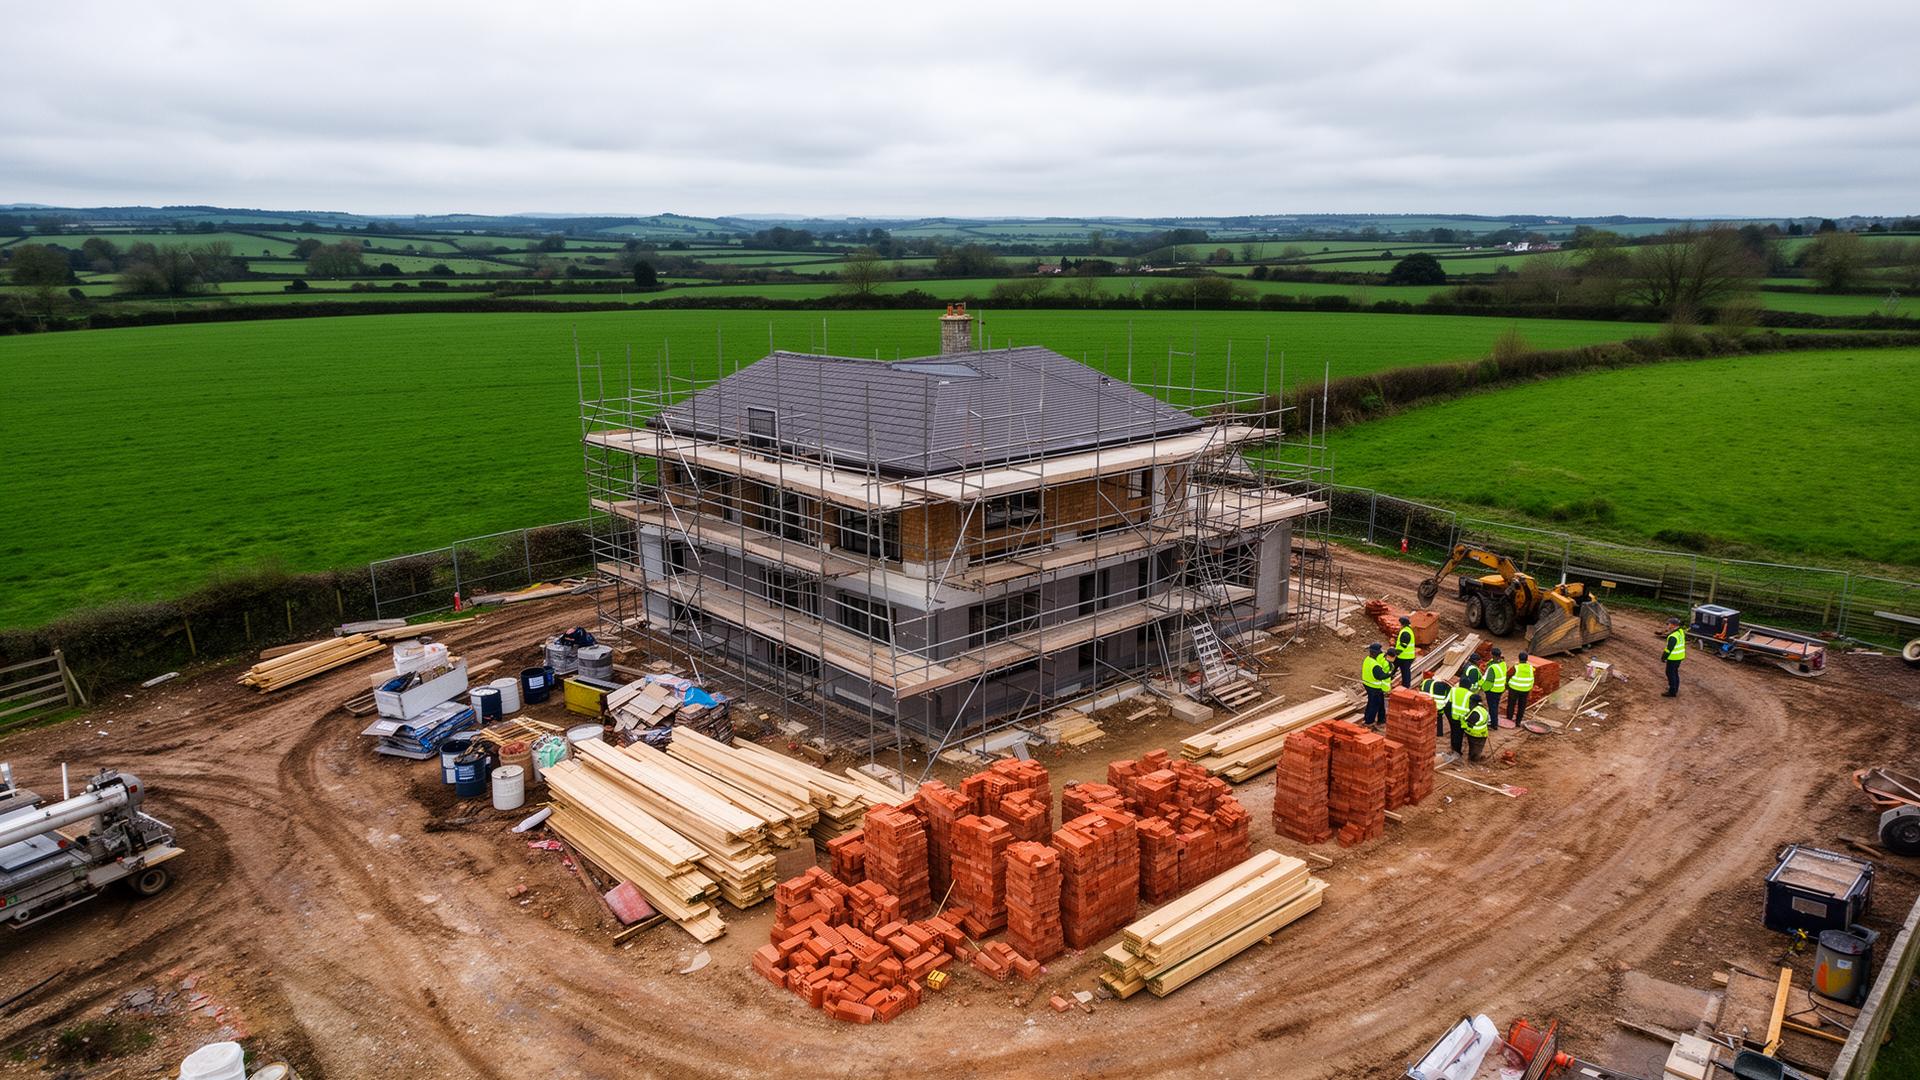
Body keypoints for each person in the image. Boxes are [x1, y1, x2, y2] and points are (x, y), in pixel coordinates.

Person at [1360, 643, 1393, 727]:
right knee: (1374, 704)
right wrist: (1390, 674)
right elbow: (1381, 676)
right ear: (1374, 653)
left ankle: (1381, 720)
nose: (1380, 653)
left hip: (1367, 684)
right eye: (1379, 652)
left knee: (1378, 702)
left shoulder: (1367, 659)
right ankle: (1369, 722)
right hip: (1374, 687)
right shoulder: (1375, 666)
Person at [1445, 681, 1476, 757]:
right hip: (1462, 718)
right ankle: (1457, 751)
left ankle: (1454, 748)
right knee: (1459, 734)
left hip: (1453, 716)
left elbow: (1448, 702)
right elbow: (1471, 708)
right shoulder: (1470, 694)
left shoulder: (1453, 690)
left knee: (1454, 732)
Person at [1506, 652, 1535, 726]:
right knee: (1521, 706)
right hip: (1525, 690)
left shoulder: (1516, 667)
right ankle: (1518, 722)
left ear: (1519, 659)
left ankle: (1509, 720)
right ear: (1527, 659)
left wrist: (1506, 685)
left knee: (1511, 705)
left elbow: (1508, 675)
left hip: (1514, 689)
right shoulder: (1531, 668)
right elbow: (1532, 679)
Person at [1481, 648, 1507, 728]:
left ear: (1492, 655)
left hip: (1492, 690)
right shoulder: (1503, 664)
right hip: (1500, 689)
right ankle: (1494, 721)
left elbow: (1489, 682)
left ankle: (1494, 724)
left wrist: (1483, 687)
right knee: (1495, 706)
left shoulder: (1493, 668)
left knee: (1492, 707)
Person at [1461, 696, 1492, 762]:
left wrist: (1463, 721)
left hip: (1476, 734)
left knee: (1475, 750)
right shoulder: (1482, 709)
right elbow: (1489, 721)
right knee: (1476, 748)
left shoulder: (1475, 713)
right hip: (1481, 733)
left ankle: (1473, 762)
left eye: (1470, 701)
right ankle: (1473, 759)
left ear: (1473, 702)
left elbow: (1469, 724)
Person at [1662, 617, 1687, 697]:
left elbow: (1669, 649)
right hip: (1679, 657)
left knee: (1670, 673)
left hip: (1673, 658)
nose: (1667, 625)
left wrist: (1664, 657)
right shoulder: (1680, 632)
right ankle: (1675, 688)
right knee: (1675, 672)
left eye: (1668, 624)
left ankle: (1672, 691)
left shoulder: (1673, 636)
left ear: (1673, 625)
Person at [1394, 616, 1418, 688]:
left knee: (1403, 672)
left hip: (1403, 657)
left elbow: (1403, 645)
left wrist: (1395, 653)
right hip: (1407, 657)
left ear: (1402, 624)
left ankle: (1405, 687)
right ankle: (1405, 686)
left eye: (1400, 623)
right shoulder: (1408, 630)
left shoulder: (1405, 632)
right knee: (1404, 672)